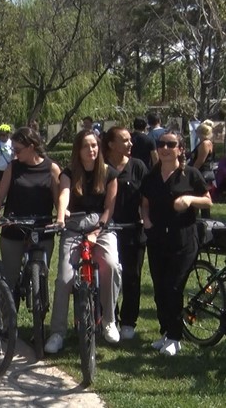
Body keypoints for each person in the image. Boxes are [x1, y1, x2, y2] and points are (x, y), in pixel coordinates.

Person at [45, 129, 121, 353]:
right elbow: (64, 195)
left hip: (102, 227)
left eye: (95, 145)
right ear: (78, 150)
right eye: (87, 146)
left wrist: (97, 232)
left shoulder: (109, 173)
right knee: (64, 278)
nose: (92, 150)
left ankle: (109, 321)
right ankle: (57, 332)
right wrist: (60, 217)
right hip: (74, 228)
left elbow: (109, 209)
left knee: (112, 265)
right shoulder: (69, 173)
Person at [141, 130, 212, 356]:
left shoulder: (190, 174)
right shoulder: (151, 177)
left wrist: (190, 199)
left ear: (180, 149)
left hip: (183, 238)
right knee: (160, 289)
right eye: (161, 143)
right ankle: (166, 332)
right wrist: (147, 221)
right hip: (157, 238)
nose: (165, 148)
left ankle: (175, 336)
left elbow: (207, 200)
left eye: (171, 144)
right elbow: (144, 203)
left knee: (174, 286)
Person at [0, 127, 61, 292]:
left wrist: (63, 215)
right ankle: (7, 314)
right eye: (13, 149)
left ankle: (39, 305)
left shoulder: (51, 168)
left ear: (31, 147)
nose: (14, 153)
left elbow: (58, 200)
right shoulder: (12, 167)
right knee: (10, 280)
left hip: (41, 228)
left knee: (42, 275)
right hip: (14, 227)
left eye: (18, 150)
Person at [103, 126, 148, 340]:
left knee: (132, 276)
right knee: (108, 276)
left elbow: (147, 196)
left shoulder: (138, 166)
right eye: (125, 140)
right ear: (111, 144)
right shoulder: (100, 167)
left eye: (131, 140)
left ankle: (129, 321)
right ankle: (108, 317)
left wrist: (145, 216)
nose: (131, 144)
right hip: (107, 230)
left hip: (133, 230)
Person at [189, 120, 216, 218]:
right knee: (201, 195)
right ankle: (203, 217)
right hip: (203, 172)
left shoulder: (205, 144)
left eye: (197, 131)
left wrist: (191, 172)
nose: (196, 133)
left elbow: (200, 160)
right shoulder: (204, 143)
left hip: (202, 173)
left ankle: (201, 218)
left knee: (199, 195)